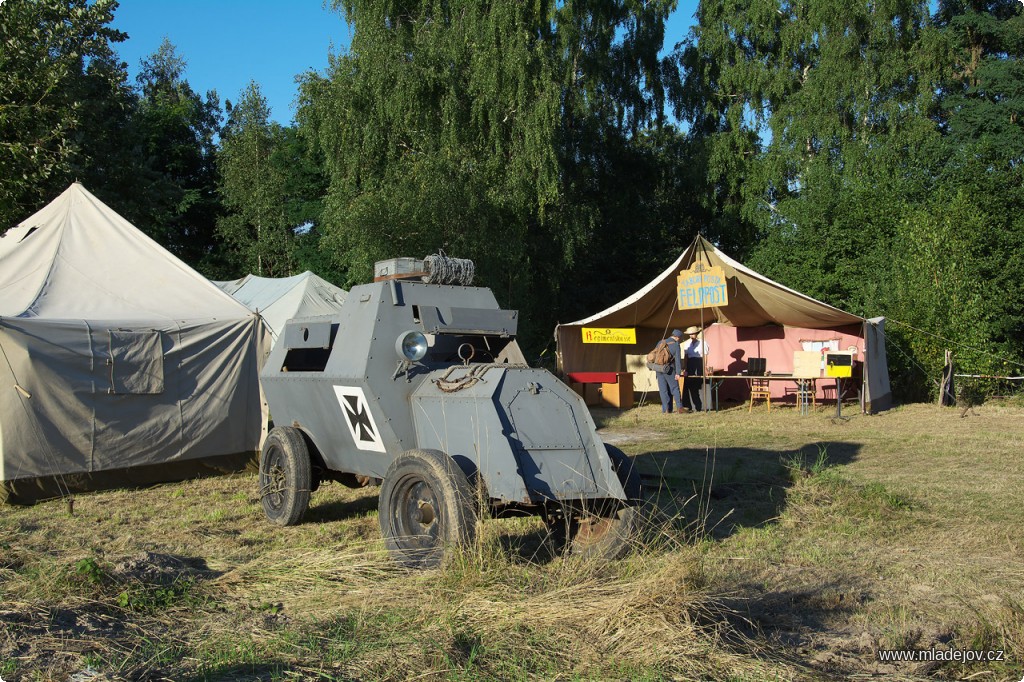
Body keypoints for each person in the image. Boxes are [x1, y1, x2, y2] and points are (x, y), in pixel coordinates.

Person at [653, 329, 684, 414]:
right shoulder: (676, 344)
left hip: (659, 369)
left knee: (663, 390)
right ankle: (680, 408)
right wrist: (678, 373)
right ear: (677, 337)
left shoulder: (660, 342)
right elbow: (677, 360)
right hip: (669, 369)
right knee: (674, 388)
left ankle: (666, 409)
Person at [681, 325, 709, 412]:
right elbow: (686, 356)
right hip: (690, 364)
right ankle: (687, 406)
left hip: (698, 363)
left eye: (693, 334)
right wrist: (685, 367)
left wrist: (704, 367)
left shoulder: (702, 343)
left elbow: (705, 356)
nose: (691, 336)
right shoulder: (687, 343)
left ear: (696, 334)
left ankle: (698, 406)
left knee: (695, 386)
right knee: (686, 385)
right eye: (690, 334)